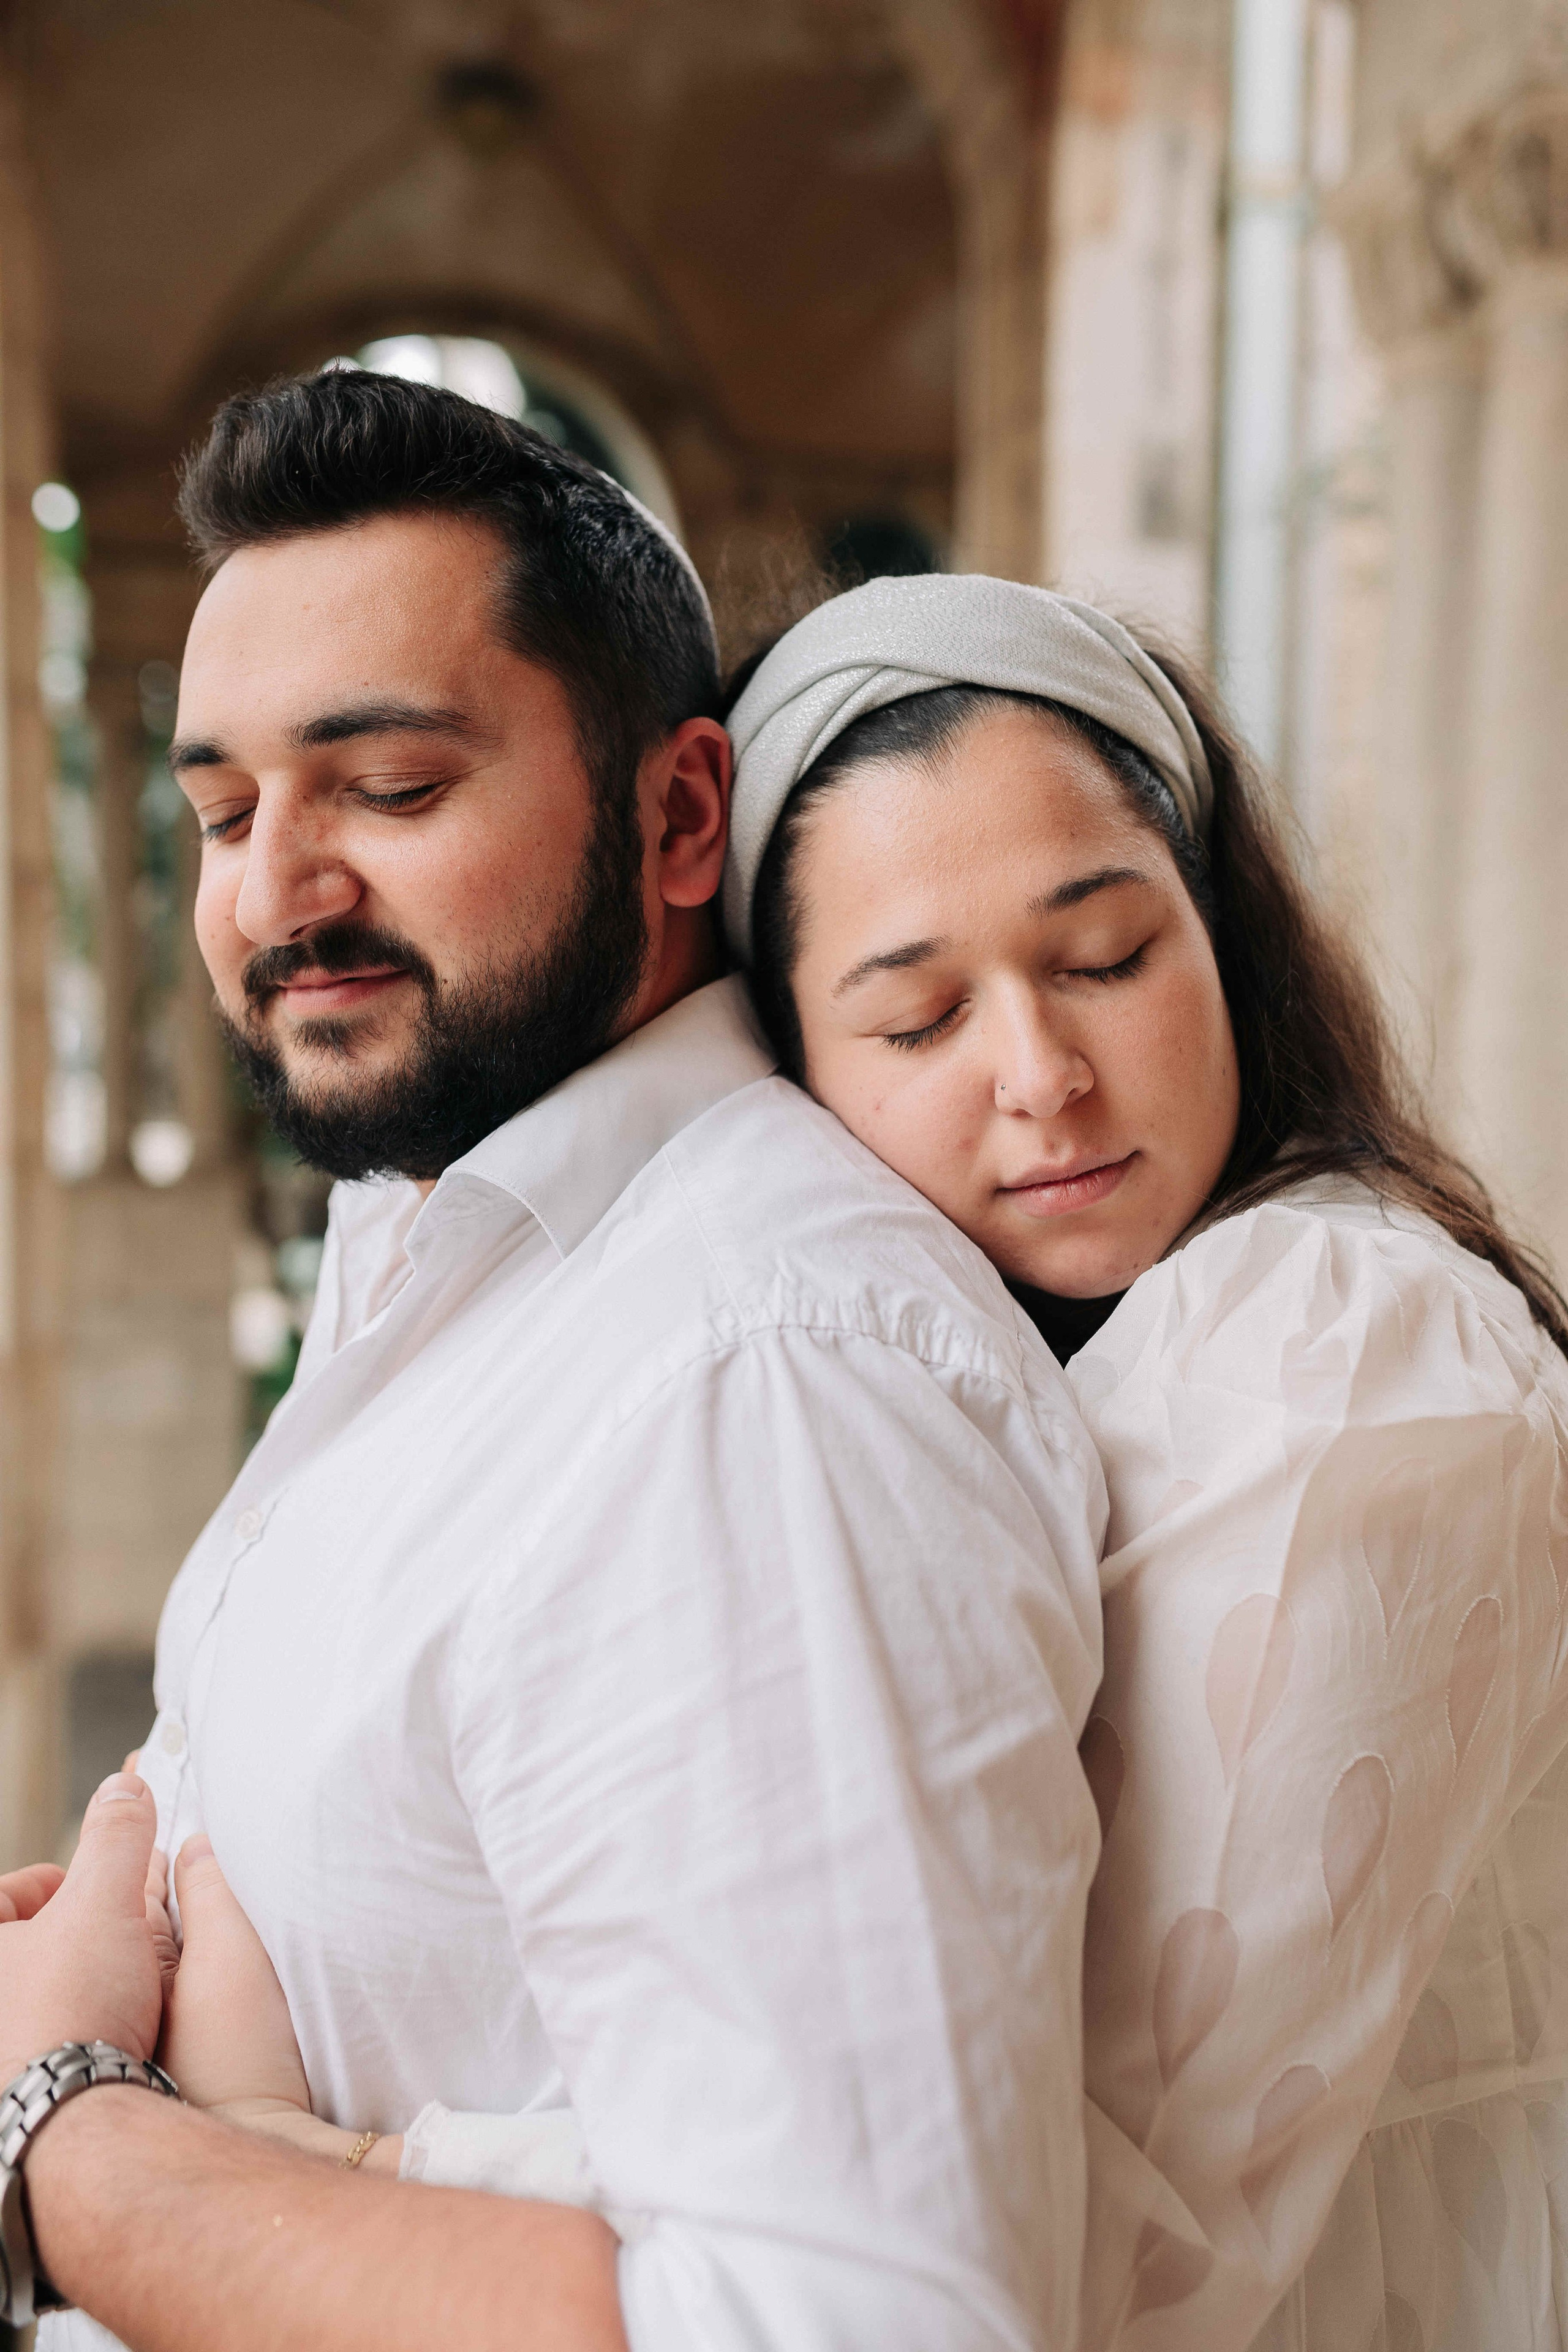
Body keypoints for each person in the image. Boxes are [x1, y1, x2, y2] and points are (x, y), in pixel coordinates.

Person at [190, 571, 1568, 2352]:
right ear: (793, 1072)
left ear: (1220, 933)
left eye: (1107, 959)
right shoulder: (914, 1358)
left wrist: (310, 2160)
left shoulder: (1343, 1344)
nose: (1041, 1075)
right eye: (917, 1019)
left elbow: (1068, 2228)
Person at [0, 387, 1108, 2352]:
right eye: (228, 814)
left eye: (390, 790)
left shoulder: (758, 1381)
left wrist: (58, 2138)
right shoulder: (444, 1224)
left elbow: (842, 2322)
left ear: (677, 817)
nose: (273, 894)